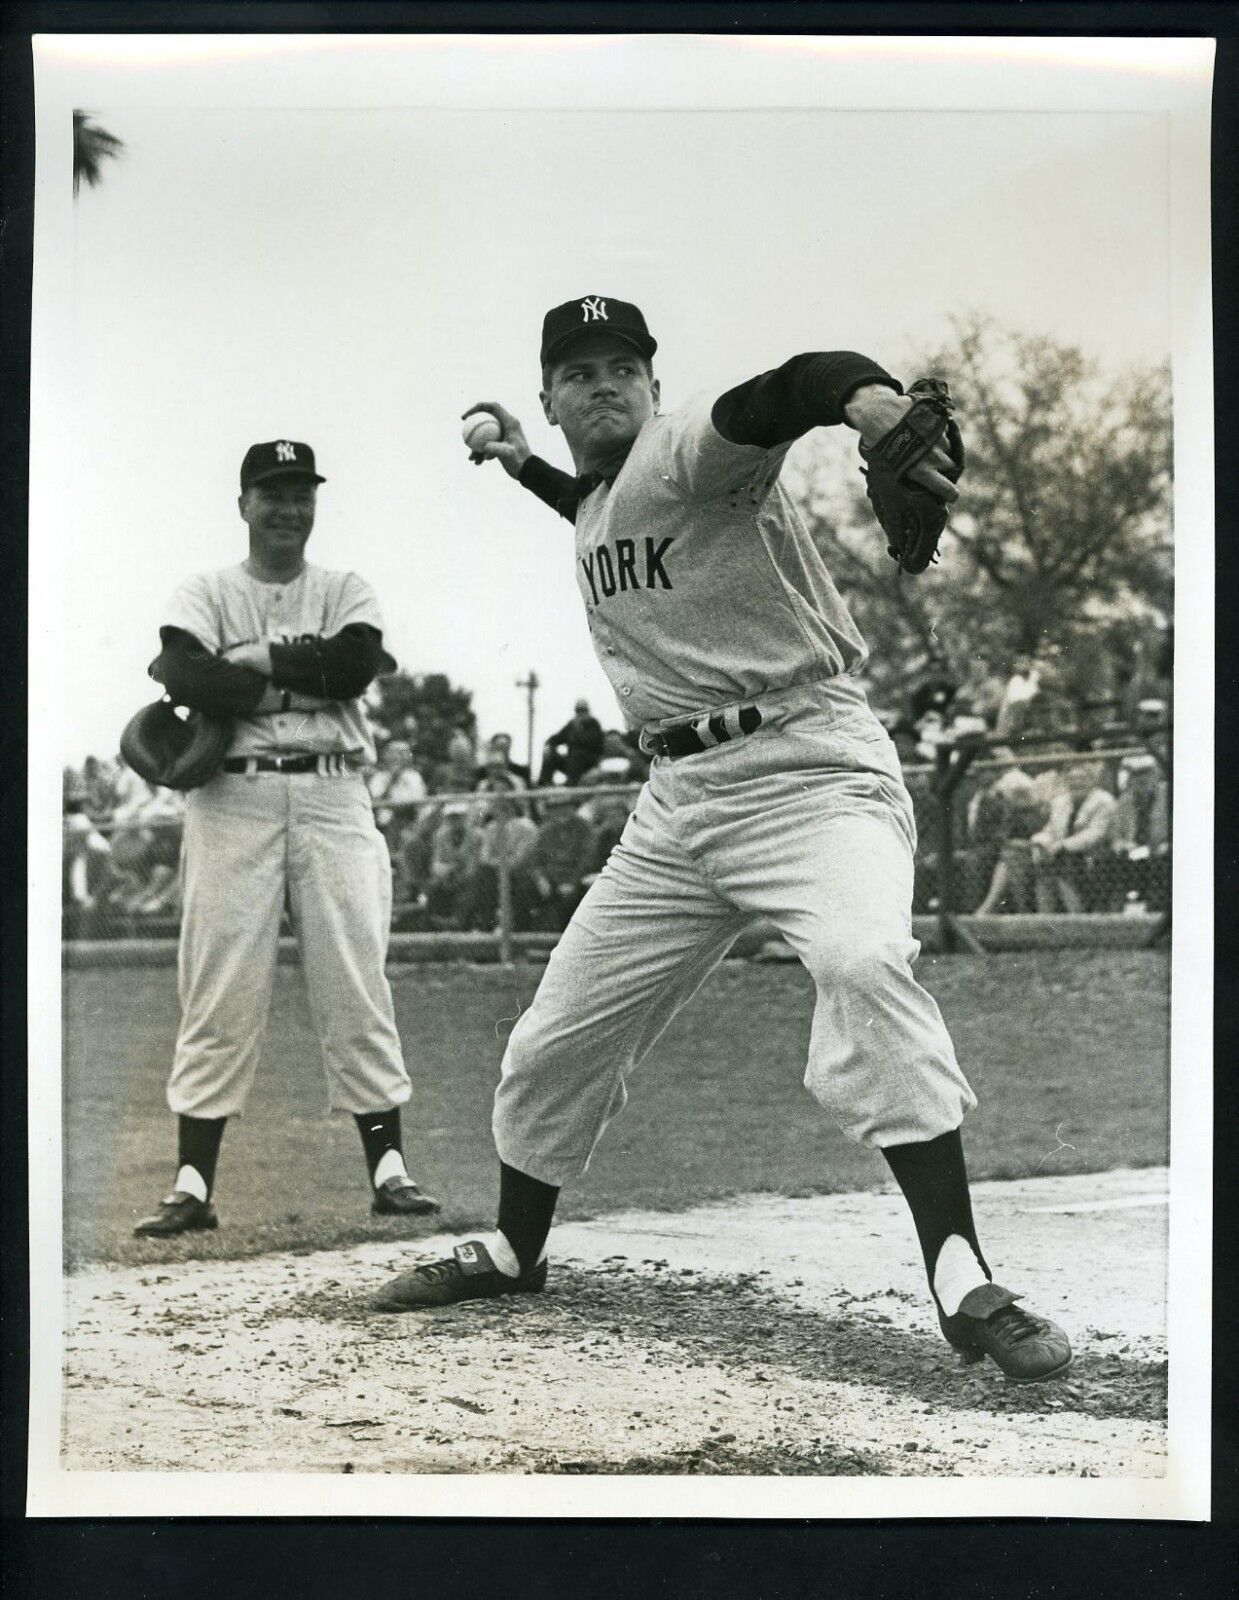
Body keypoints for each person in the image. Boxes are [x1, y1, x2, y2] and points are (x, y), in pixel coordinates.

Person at [373, 296, 1071, 1383]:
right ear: (548, 397)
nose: (604, 384)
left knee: (862, 959)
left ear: (654, 385)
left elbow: (792, 381)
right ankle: (517, 1249)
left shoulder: (690, 448)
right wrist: (517, 465)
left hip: (809, 769)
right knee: (553, 1039)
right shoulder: (603, 500)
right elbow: (598, 513)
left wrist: (864, 397)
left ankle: (963, 1276)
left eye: (623, 366)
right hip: (678, 805)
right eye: (579, 372)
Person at [132, 439, 439, 1237]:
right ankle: (193, 1184)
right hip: (232, 795)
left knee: (355, 973)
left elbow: (357, 666)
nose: (288, 508)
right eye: (271, 493)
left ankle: (390, 1171)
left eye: (301, 493)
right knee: (218, 980)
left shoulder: (344, 586)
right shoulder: (206, 588)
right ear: (243, 504)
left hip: (335, 789)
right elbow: (182, 672)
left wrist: (257, 661)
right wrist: (297, 677)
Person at [1029, 760, 1118, 913]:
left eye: (1082, 779)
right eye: (1072, 779)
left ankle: (1076, 914)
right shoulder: (1060, 801)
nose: (1077, 783)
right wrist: (1040, 842)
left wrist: (1062, 845)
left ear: (1092, 780)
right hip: (1060, 852)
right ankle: (1046, 918)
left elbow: (1096, 834)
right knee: (1042, 863)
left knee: (1059, 865)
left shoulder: (1104, 800)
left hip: (1095, 852)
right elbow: (1050, 830)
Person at [540, 699, 605, 787]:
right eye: (578, 710)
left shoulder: (594, 724)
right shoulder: (572, 725)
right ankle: (543, 785)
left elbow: (591, 742)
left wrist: (579, 731)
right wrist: (548, 744)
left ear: (588, 711)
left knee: (577, 753)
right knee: (551, 756)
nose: (580, 713)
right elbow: (558, 737)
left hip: (589, 763)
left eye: (583, 710)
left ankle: (571, 785)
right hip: (571, 763)